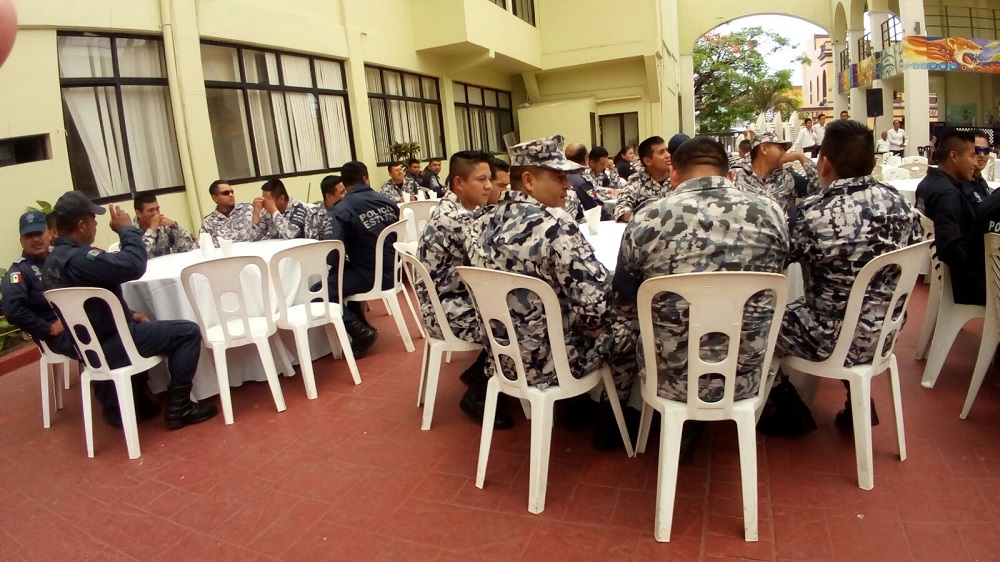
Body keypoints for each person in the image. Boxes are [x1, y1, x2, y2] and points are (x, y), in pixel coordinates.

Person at [613, 137, 788, 459]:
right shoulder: (771, 213)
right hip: (746, 374)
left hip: (670, 376)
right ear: (731, 176)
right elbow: (777, 275)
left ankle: (624, 419)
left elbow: (624, 301)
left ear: (674, 176)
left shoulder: (646, 219)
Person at [468, 135, 638, 451]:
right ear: (529, 181)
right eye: (559, 177)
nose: (569, 185)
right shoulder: (556, 228)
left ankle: (575, 409)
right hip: (553, 363)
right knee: (631, 327)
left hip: (502, 356)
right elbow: (596, 308)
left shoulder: (481, 223)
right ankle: (612, 419)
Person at [777, 119, 923, 429]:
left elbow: (775, 261)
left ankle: (787, 406)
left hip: (829, 338)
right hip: (885, 333)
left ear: (825, 162)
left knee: (758, 321)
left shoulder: (812, 214)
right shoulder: (902, 205)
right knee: (849, 307)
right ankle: (858, 401)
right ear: (872, 161)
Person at [43, 192, 218, 429]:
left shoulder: (52, 260)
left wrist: (130, 313)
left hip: (88, 346)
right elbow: (134, 266)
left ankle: (130, 404)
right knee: (187, 331)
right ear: (82, 224)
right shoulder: (81, 259)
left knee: (140, 323)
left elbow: (92, 301)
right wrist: (126, 230)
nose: (96, 224)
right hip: (113, 343)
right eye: (93, 220)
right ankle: (180, 407)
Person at [417, 150, 513, 429]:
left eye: (489, 180)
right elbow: (495, 265)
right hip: (446, 308)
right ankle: (479, 395)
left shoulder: (465, 209)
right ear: (459, 184)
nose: (488, 186)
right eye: (481, 180)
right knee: (513, 323)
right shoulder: (458, 219)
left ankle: (476, 372)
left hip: (455, 296)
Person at [325, 161, 400, 356]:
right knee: (342, 276)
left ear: (344, 183)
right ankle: (362, 324)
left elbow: (333, 251)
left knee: (321, 290)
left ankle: (360, 332)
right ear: (366, 178)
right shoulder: (388, 201)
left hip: (370, 276)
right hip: (397, 272)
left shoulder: (343, 209)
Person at [916, 129, 986, 305]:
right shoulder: (948, 194)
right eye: (971, 156)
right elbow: (951, 248)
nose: (975, 163)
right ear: (954, 156)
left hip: (947, 277)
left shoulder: (927, 183)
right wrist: (981, 280)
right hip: (963, 287)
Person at [2, 211, 77, 360]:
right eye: (29, 236)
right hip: (56, 334)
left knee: (120, 331)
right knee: (104, 341)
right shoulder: (18, 272)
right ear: (21, 241)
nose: (36, 239)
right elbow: (13, 310)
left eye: (39, 233)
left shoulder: (62, 256)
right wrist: (47, 328)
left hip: (79, 320)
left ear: (50, 233)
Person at [731, 131, 820, 213]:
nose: (784, 153)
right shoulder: (735, 176)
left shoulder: (788, 176)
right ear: (764, 149)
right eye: (781, 148)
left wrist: (802, 158)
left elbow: (821, 190)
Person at [614, 134, 686, 222]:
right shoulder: (637, 181)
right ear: (648, 161)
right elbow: (621, 208)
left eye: (667, 151)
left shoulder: (680, 177)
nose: (668, 155)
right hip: (648, 231)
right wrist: (644, 219)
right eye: (661, 152)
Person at [200, 180, 266, 243]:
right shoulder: (208, 222)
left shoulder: (249, 209)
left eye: (232, 192)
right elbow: (202, 246)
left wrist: (256, 212)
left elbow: (261, 235)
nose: (231, 195)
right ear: (215, 198)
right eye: (226, 193)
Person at [132, 193, 196, 257]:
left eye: (157, 209)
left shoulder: (164, 226)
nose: (156, 214)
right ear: (138, 213)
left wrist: (174, 226)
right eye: (150, 210)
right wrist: (151, 229)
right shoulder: (130, 232)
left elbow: (188, 247)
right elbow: (138, 255)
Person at [565, 142, 611, 221]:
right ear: (586, 158)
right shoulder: (581, 181)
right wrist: (608, 217)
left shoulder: (559, 176)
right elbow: (595, 207)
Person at [305, 174, 347, 240]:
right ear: (329, 196)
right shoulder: (314, 215)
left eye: (345, 190)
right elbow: (313, 241)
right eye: (342, 192)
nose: (346, 194)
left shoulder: (348, 208)